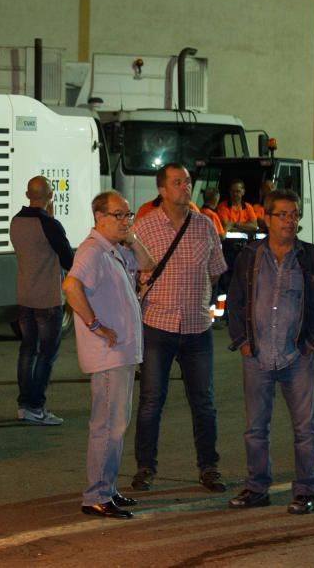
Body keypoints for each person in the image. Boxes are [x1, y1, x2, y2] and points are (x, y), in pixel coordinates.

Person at [225, 190, 314, 514]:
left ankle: (305, 490)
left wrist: (311, 344)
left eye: (294, 214)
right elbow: (235, 299)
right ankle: (257, 487)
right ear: (267, 218)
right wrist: (243, 342)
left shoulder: (312, 257)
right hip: (257, 355)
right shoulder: (250, 255)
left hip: (295, 357)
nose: (290, 220)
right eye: (283, 214)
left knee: (304, 428)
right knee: (255, 428)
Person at [131, 163, 228, 493]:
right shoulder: (143, 228)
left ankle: (209, 467)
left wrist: (201, 301)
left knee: (204, 402)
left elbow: (216, 272)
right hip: (157, 326)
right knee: (151, 401)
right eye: (177, 182)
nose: (185, 187)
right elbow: (132, 276)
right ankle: (145, 467)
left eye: (187, 182)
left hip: (197, 328)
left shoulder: (205, 226)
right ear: (162, 190)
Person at [63, 190, 154, 519]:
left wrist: (132, 237)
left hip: (121, 355)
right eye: (119, 215)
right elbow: (71, 286)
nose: (125, 221)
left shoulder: (114, 249)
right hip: (108, 356)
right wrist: (95, 324)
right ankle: (96, 495)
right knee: (107, 426)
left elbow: (147, 265)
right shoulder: (93, 252)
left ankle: (107, 488)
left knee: (116, 425)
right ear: (99, 217)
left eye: (128, 215)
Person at [10, 176, 74, 425]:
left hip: (24, 296)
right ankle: (37, 406)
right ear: (50, 195)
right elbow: (68, 258)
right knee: (47, 354)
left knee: (27, 350)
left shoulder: (16, 221)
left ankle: (24, 405)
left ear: (27, 194)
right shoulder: (49, 224)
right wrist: (52, 217)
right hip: (47, 298)